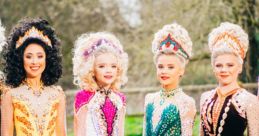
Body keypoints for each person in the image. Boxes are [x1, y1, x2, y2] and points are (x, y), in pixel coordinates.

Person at [1, 18, 66, 136]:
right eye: (29, 56)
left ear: (48, 58)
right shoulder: (10, 95)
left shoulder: (58, 94)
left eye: (40, 56)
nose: (35, 62)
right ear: (20, 59)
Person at [200, 22, 259, 136]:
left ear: (240, 67)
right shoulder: (205, 98)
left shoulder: (249, 101)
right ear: (213, 68)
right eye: (219, 65)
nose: (224, 70)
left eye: (230, 65)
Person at [143, 23, 196, 136]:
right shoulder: (149, 99)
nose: (164, 71)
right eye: (160, 66)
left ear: (181, 70)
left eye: (170, 67)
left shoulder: (187, 102)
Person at [73, 32, 128, 136]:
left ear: (119, 69)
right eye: (102, 66)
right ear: (92, 69)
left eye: (113, 66)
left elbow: (121, 132)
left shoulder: (120, 99)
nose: (109, 70)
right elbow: (79, 132)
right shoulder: (84, 97)